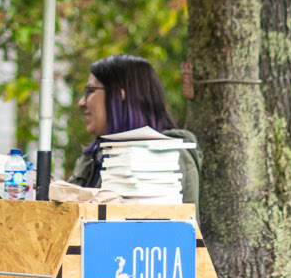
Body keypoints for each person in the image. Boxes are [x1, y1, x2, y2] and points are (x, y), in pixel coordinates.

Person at [69, 52, 199, 208]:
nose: (81, 102)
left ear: (119, 94)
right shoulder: (90, 158)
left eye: (90, 91)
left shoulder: (168, 157)